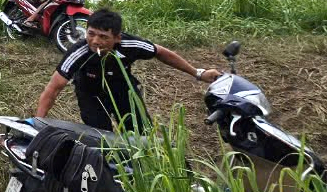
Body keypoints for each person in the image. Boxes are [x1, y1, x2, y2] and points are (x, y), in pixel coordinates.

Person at [33, 9, 221, 132]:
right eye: (91, 34)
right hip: (90, 94)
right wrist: (37, 124)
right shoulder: (79, 52)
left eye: (103, 37)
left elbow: (161, 52)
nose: (95, 41)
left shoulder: (130, 44)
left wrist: (198, 73)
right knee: (100, 136)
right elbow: (53, 88)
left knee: (141, 133)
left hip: (123, 89)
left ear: (117, 38)